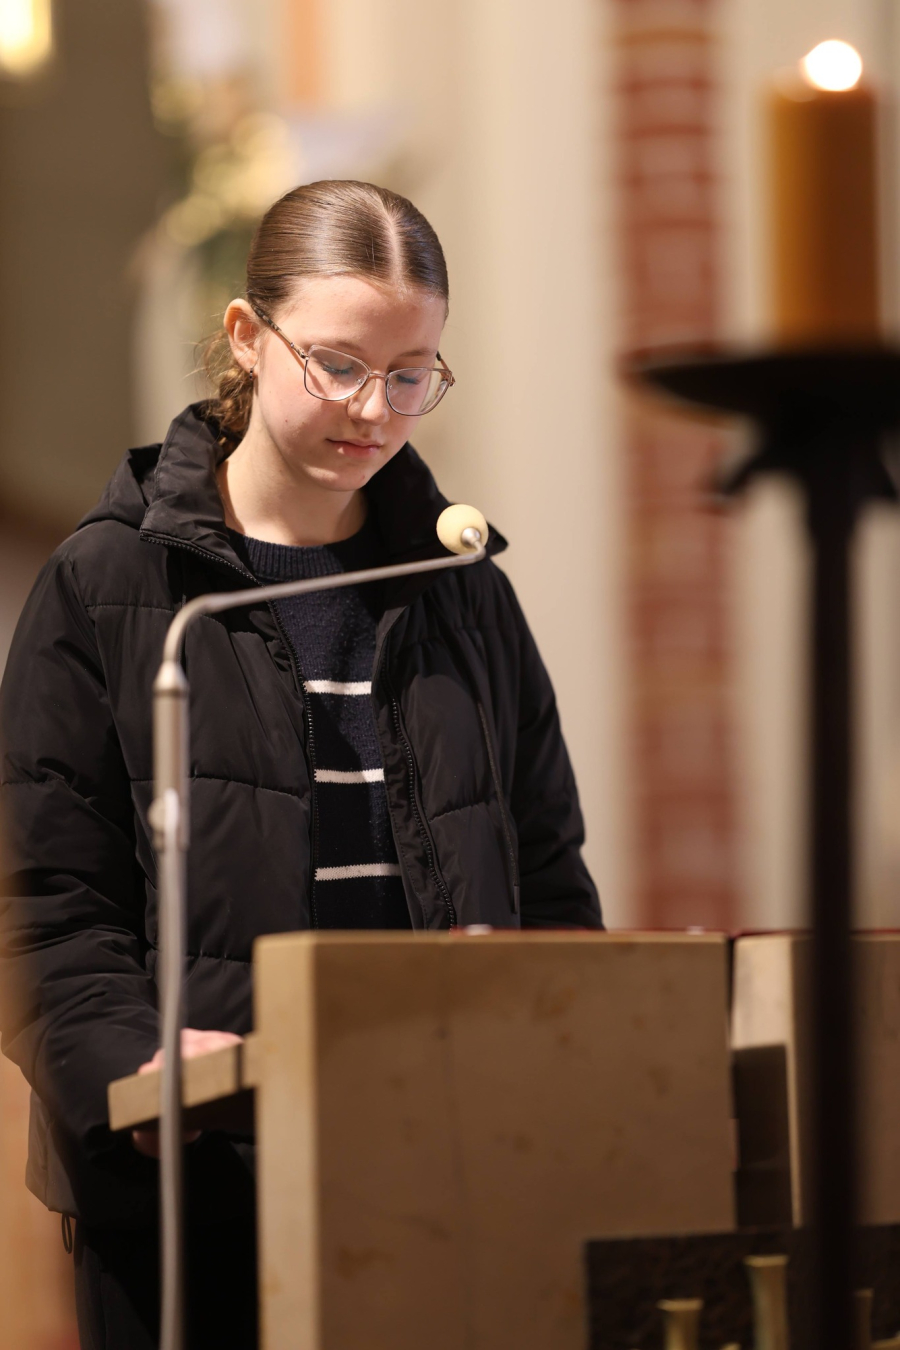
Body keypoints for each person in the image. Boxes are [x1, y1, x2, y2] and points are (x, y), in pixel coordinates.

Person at [0, 179, 602, 1348]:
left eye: (412, 374)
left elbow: (548, 878)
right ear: (246, 334)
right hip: (196, 1186)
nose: (375, 410)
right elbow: (44, 908)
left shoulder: (460, 589)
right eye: (338, 364)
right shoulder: (111, 588)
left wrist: (555, 1050)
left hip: (453, 1164)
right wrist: (137, 1062)